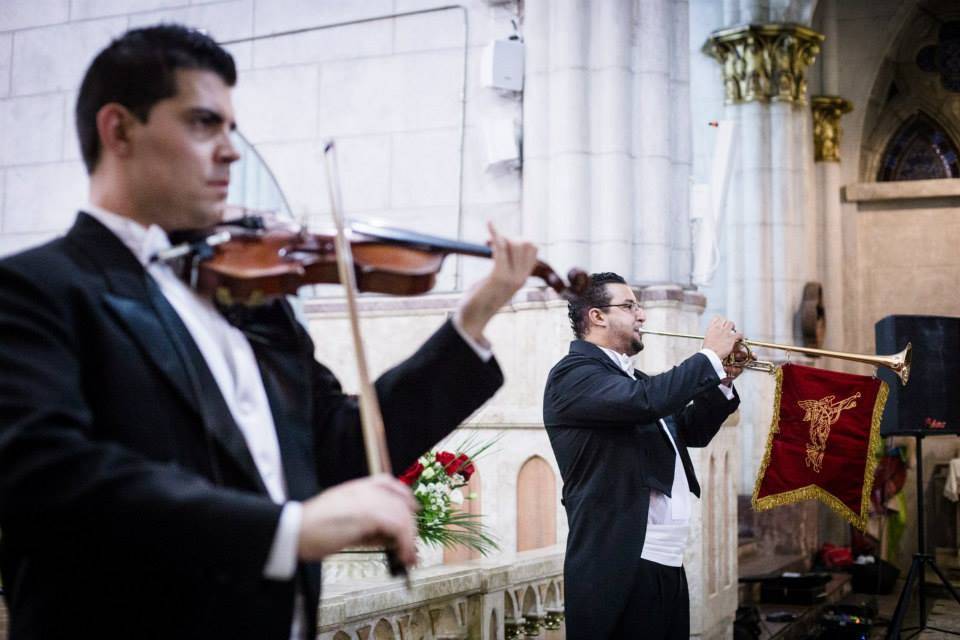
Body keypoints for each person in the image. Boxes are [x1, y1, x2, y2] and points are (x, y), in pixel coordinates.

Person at [0, 24, 538, 640]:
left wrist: (472, 320)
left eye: (231, 127)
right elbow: (50, 482)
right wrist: (289, 530)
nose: (230, 150)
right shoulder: (35, 289)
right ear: (118, 129)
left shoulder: (251, 300)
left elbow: (338, 446)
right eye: (204, 123)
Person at [543, 272, 744, 639]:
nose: (642, 315)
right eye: (630, 305)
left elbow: (690, 431)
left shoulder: (635, 383)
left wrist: (724, 379)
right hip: (619, 562)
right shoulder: (573, 376)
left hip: (664, 560)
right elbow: (648, 402)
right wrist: (709, 356)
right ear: (597, 316)